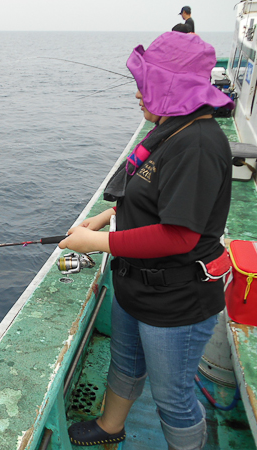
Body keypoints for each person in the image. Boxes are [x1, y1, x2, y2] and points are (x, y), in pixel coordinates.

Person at [62, 32, 234, 449]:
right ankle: (110, 426)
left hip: (176, 300)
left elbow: (178, 235)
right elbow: (148, 197)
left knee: (173, 399)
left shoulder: (197, 144)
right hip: (134, 285)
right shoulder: (168, 128)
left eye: (148, 84)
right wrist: (105, 217)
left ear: (175, 89)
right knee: (124, 364)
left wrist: (96, 243)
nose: (139, 93)